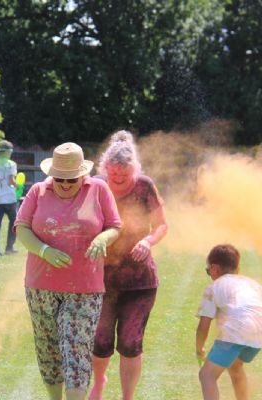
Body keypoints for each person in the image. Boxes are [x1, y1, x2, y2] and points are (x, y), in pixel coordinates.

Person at [15, 142, 122, 400]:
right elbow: (21, 227)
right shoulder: (38, 191)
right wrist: (44, 251)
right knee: (48, 350)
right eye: (59, 178)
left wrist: (102, 238)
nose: (64, 184)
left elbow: (115, 226)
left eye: (71, 179)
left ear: (82, 174)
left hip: (85, 289)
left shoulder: (98, 189)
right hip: (40, 287)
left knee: (76, 350)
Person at [89, 130, 168, 400]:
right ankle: (98, 384)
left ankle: (127, 397)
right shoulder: (97, 186)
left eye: (123, 174)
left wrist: (147, 241)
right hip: (101, 279)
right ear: (105, 168)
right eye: (113, 174)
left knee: (130, 342)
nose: (118, 179)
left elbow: (162, 225)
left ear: (134, 169)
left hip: (140, 282)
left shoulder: (145, 186)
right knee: (100, 341)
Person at [196, 244, 262, 400]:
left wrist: (199, 349)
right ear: (237, 269)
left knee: (207, 375)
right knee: (235, 365)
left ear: (214, 268)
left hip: (236, 330)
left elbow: (203, 326)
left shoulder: (214, 287)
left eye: (208, 271)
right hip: (259, 331)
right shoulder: (252, 283)